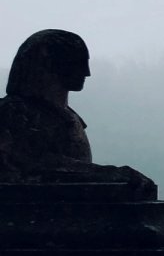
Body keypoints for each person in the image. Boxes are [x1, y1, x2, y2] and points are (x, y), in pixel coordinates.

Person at [0, 29, 153, 193]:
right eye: (78, 63)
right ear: (50, 64)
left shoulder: (69, 117)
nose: (87, 72)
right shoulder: (11, 113)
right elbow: (33, 162)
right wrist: (109, 174)